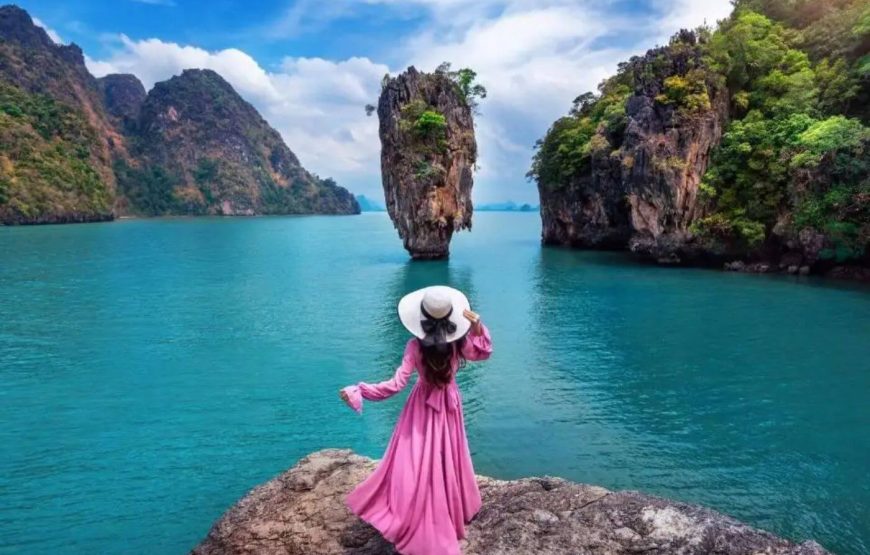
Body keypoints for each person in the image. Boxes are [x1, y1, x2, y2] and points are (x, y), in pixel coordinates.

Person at [339, 285, 492, 555]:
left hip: (421, 406)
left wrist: (361, 389)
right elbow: (483, 352)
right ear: (450, 318)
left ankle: (417, 508)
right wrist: (478, 327)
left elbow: (395, 385)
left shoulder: (414, 346)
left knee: (415, 460)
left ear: (421, 317)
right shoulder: (459, 342)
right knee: (448, 456)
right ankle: (452, 508)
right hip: (448, 405)